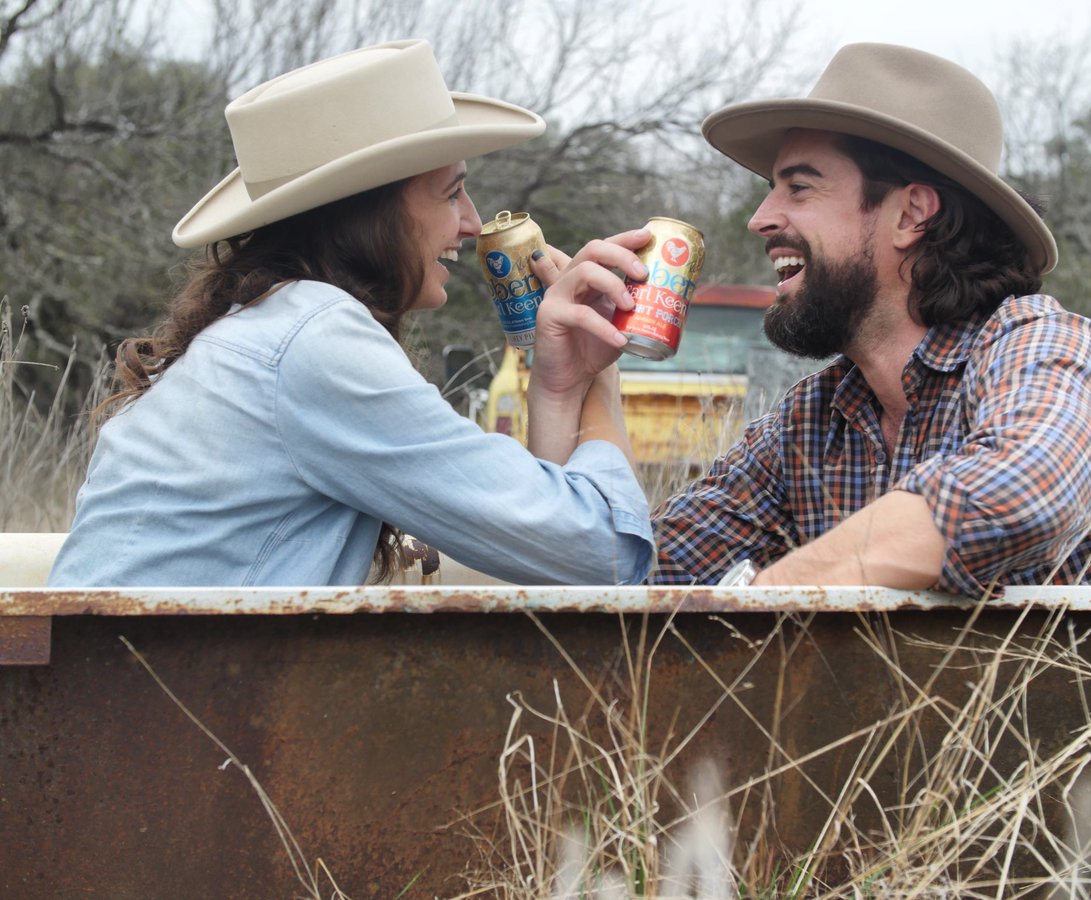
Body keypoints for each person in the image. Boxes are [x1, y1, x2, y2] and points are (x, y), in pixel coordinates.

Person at [49, 40, 653, 588]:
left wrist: (558, 384)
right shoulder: (314, 341)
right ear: (370, 214)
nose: (472, 223)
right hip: (162, 703)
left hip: (138, 692)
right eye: (450, 193)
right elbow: (604, 557)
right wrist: (599, 374)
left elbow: (540, 552)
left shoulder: (263, 324)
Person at [650, 43, 1091, 596]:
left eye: (799, 187)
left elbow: (1018, 495)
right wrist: (577, 376)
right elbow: (648, 575)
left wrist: (765, 599)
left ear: (910, 214)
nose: (761, 219)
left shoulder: (1056, 350)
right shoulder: (812, 422)